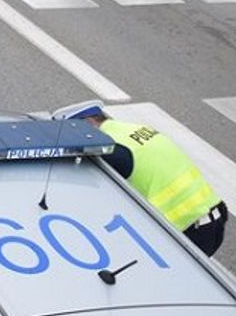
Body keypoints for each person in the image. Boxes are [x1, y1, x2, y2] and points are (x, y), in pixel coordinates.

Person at [61, 102, 227, 257]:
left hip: (188, 233)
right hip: (212, 217)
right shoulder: (133, 130)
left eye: (74, 132)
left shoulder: (113, 148)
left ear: (88, 123)